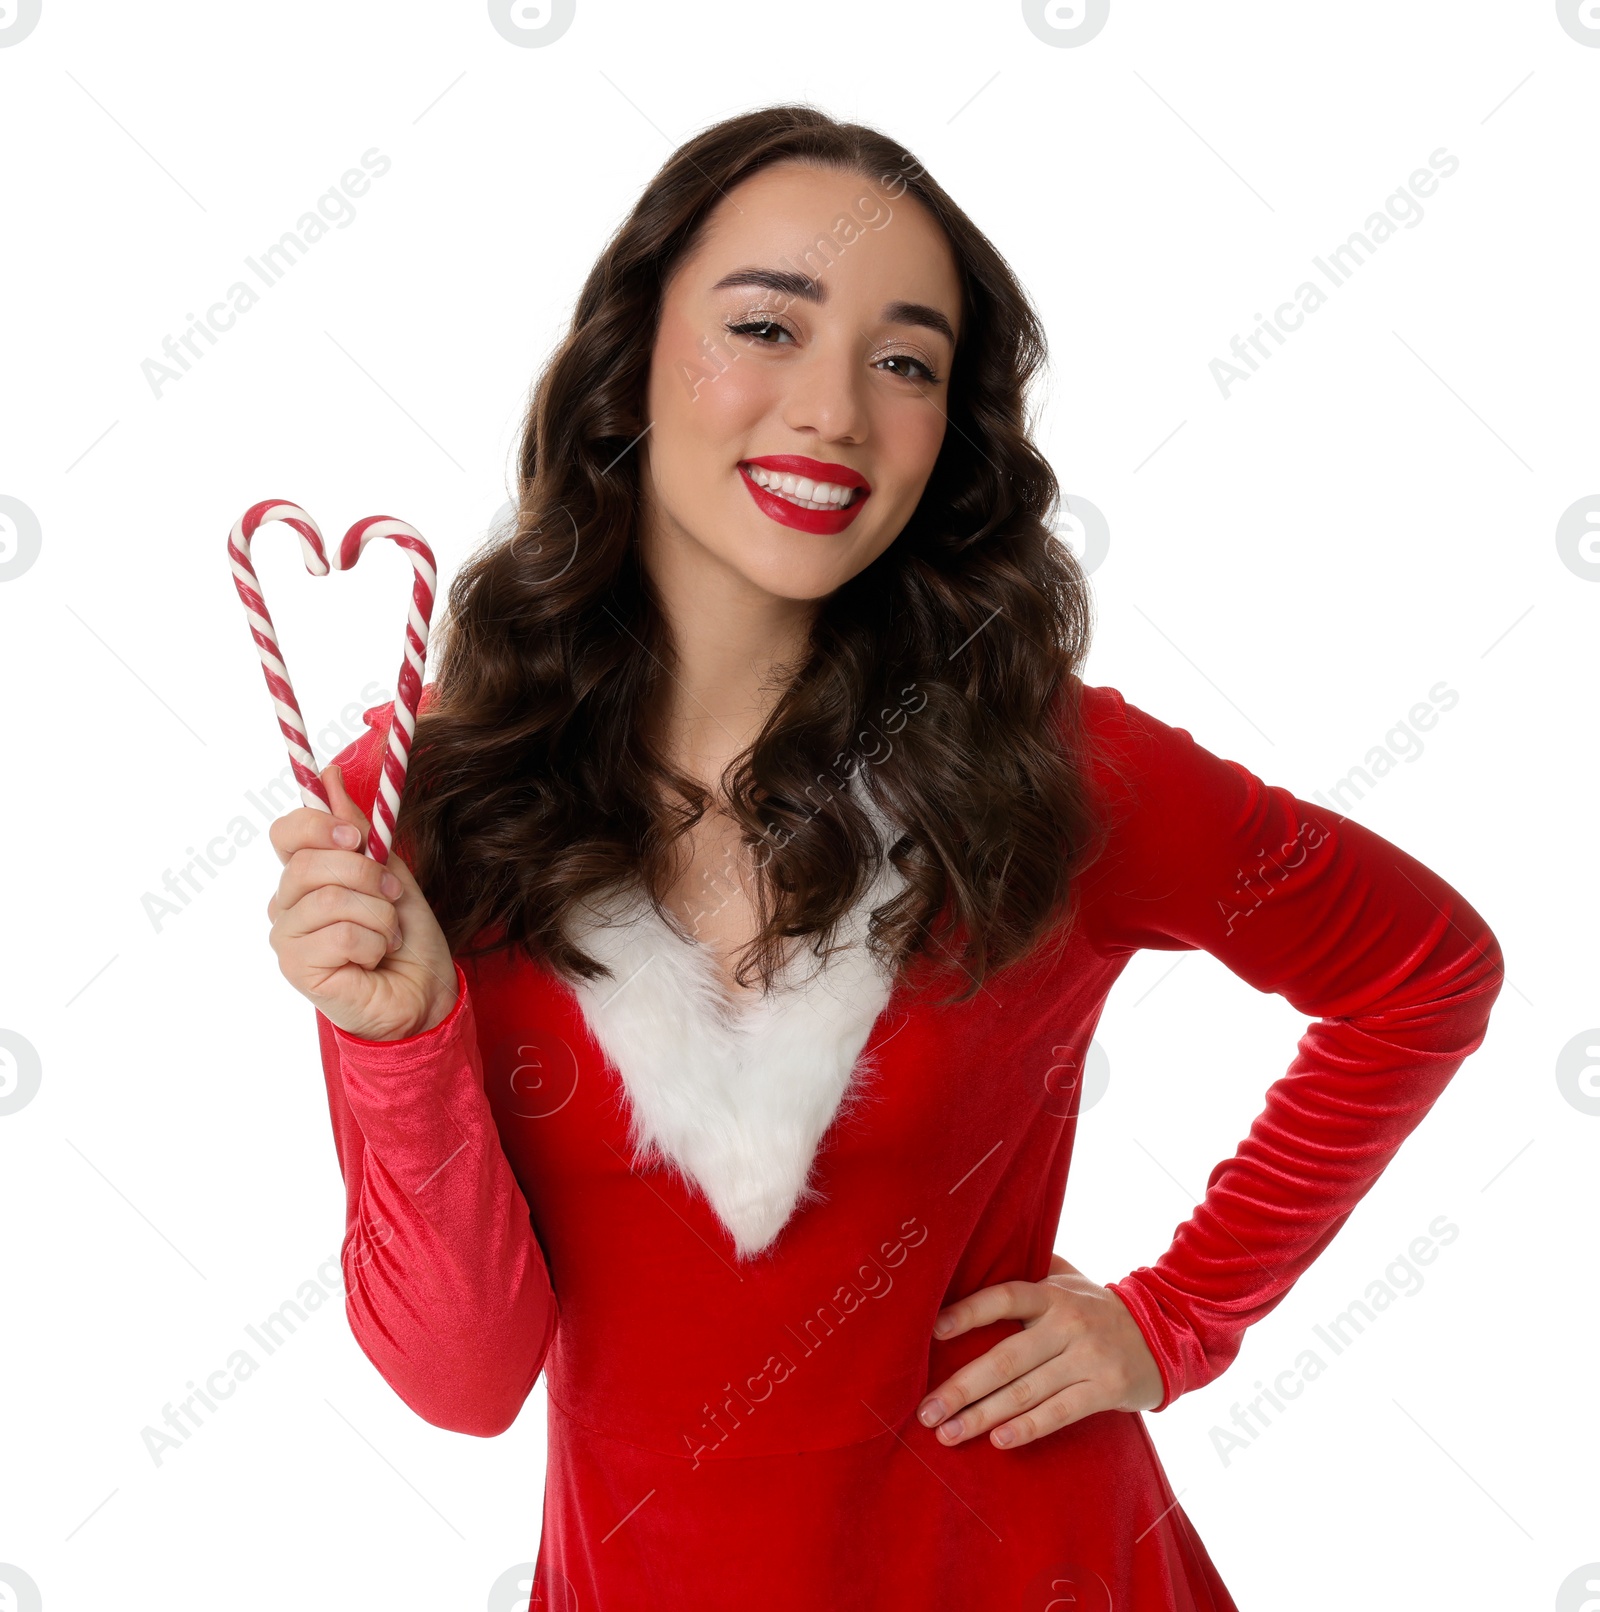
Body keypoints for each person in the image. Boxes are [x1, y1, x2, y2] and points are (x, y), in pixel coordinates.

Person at [263, 105, 1505, 1611]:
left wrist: (1175, 1322)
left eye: (904, 361)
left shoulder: (1045, 764)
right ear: (629, 364)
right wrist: (396, 1044)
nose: (835, 409)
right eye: (767, 326)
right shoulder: (419, 813)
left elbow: (1424, 972)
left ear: (948, 433)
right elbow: (461, 1383)